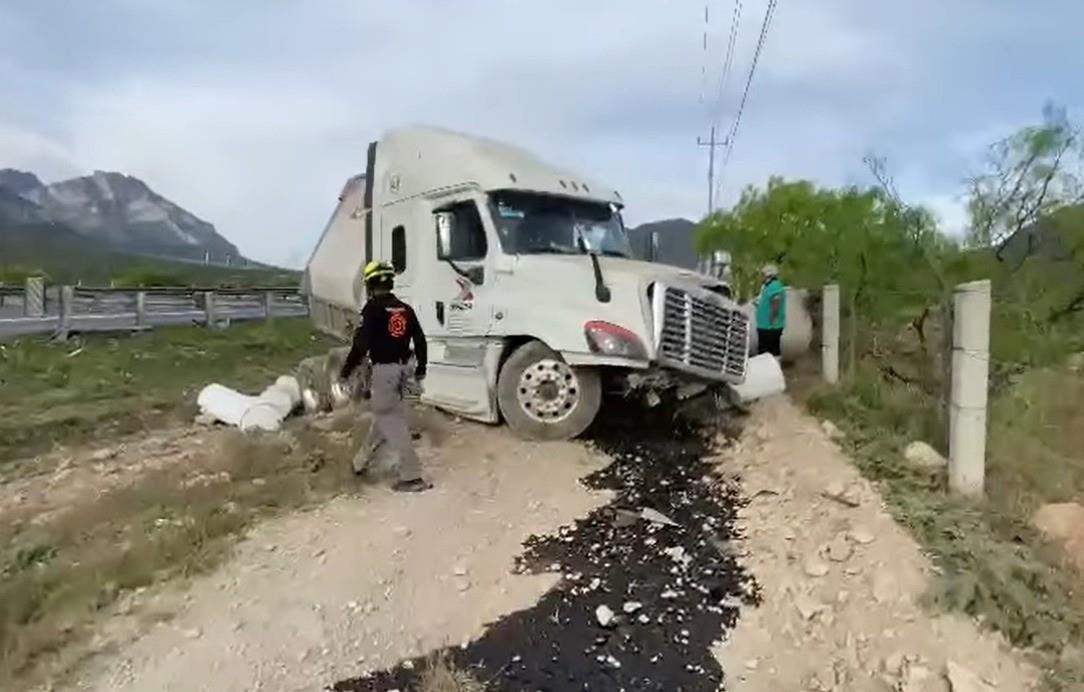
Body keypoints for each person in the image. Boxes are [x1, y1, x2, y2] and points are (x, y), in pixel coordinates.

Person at [338, 260, 431, 493]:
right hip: (407, 369)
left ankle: (412, 477)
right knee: (386, 415)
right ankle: (359, 463)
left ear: (369, 284)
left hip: (386, 370)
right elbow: (420, 340)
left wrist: (345, 373)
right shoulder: (405, 309)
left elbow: (361, 345)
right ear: (390, 282)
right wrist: (421, 369)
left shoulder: (372, 310)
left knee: (390, 418)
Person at [755, 263, 786, 357]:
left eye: (763, 275)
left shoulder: (775, 286)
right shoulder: (767, 286)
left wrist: (772, 319)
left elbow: (776, 301)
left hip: (770, 326)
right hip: (765, 325)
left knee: (769, 351)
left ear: (769, 276)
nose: (762, 277)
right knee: (767, 350)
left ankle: (772, 369)